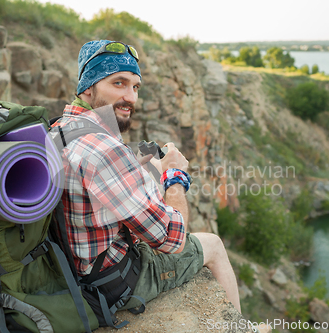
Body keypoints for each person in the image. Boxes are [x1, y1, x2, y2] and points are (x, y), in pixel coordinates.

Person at [53, 39, 242, 315]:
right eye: (118, 83)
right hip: (107, 284)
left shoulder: (61, 127)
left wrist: (139, 167)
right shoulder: (105, 151)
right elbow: (173, 239)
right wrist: (174, 177)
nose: (131, 97)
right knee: (213, 245)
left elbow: (97, 187)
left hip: (70, 265)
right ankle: (242, 327)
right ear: (88, 88)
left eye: (135, 86)